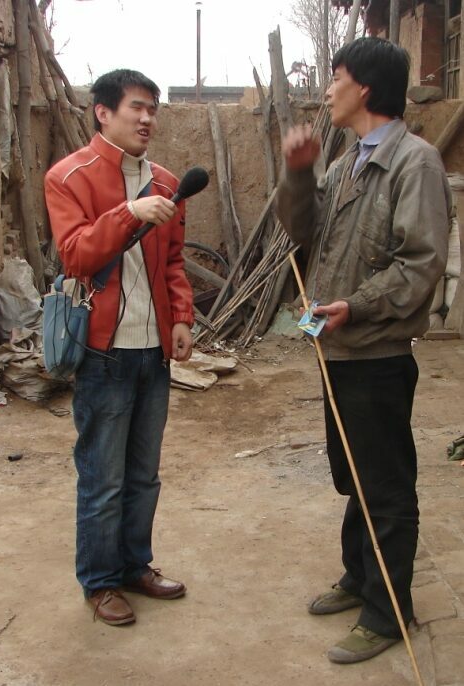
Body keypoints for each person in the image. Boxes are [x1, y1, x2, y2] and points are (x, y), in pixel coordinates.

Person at [278, 37, 451, 663]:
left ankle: (387, 611)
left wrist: (359, 305)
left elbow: (420, 264)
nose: (328, 87)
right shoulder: (349, 160)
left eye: (336, 75)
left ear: (366, 89)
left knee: (384, 484)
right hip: (338, 346)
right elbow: (301, 232)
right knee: (353, 475)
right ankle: (359, 575)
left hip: (376, 352)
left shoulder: (416, 163)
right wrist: (299, 173)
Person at [44, 69, 194, 626]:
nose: (147, 118)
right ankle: (100, 582)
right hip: (103, 352)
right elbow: (77, 256)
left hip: (152, 352)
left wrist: (180, 316)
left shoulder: (166, 182)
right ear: (103, 112)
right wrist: (128, 213)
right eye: (136, 107)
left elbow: (173, 261)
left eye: (153, 108)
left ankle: (135, 566)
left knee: (143, 474)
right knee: (103, 477)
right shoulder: (69, 177)